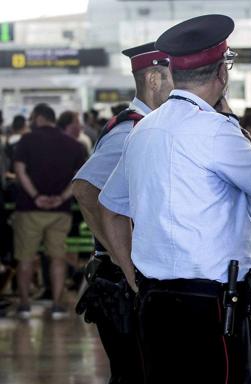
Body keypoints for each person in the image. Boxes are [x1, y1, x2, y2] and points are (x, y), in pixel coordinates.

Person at [98, 15, 251, 383]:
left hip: (153, 301)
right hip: (211, 306)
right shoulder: (218, 132)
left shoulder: (143, 130)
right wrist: (243, 132)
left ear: (173, 73)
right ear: (223, 72)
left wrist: (131, 273)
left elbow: (110, 210)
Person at [71, 41, 172, 384]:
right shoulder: (131, 128)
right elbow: (85, 189)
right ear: (154, 80)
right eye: (178, 75)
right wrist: (126, 265)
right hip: (125, 286)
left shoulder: (152, 125)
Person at [13, 103, 86, 319]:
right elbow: (80, 177)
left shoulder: (26, 141)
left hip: (29, 210)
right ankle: (56, 305)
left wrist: (36, 196)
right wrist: (61, 198)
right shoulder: (74, 145)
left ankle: (25, 305)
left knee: (25, 258)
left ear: (37, 118)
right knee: (57, 258)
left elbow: (19, 171)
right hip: (60, 211)